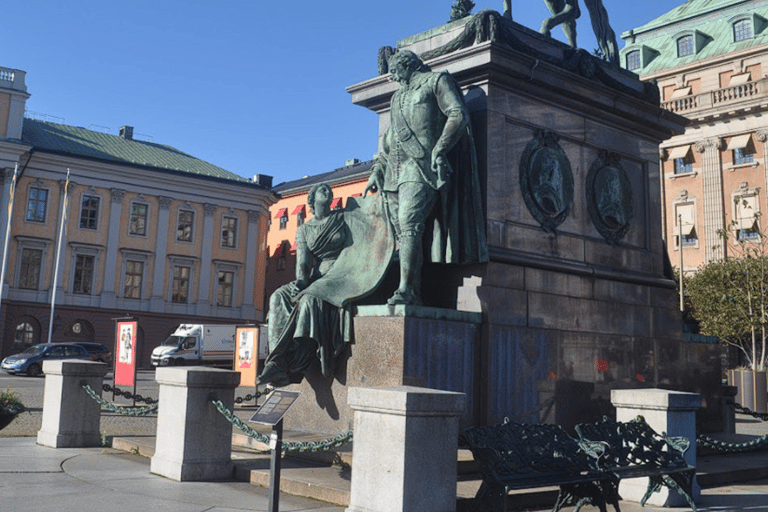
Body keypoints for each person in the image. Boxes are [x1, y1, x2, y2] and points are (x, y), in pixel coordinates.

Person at [364, 50, 487, 306]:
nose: (394, 78)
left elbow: (458, 113)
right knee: (404, 235)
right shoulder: (398, 96)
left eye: (395, 72)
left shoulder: (436, 81)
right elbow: (389, 141)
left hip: (421, 169)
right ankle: (412, 290)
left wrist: (441, 148)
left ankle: (406, 290)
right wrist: (377, 170)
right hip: (392, 176)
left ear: (406, 66)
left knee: (409, 225)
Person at [258, 183, 394, 387]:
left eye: (329, 190)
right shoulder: (304, 230)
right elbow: (303, 262)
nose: (328, 191)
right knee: (279, 296)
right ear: (312, 199)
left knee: (310, 299)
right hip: (316, 276)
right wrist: (301, 282)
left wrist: (382, 198)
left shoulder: (343, 217)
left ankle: (296, 362)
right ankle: (276, 362)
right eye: (322, 189)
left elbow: (367, 226)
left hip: (344, 272)